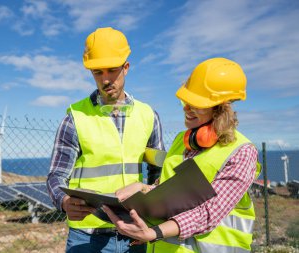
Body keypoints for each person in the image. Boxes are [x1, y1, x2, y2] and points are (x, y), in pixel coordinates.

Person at [103, 57, 260, 253]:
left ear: (222, 108)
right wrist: (144, 188)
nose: (186, 109)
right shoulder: (181, 140)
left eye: (197, 104)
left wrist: (153, 233)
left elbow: (209, 211)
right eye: (186, 101)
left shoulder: (242, 152)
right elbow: (171, 192)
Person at [46, 27, 165, 253]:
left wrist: (151, 220)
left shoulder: (149, 116)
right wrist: (63, 202)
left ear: (126, 68)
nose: (106, 79)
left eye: (112, 70)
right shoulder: (75, 119)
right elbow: (56, 175)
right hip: (86, 237)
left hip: (135, 233)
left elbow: (159, 174)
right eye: (98, 72)